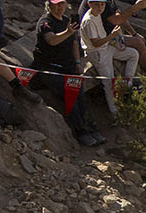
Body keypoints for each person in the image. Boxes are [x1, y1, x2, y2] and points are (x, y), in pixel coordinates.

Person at [30, 0, 102, 146]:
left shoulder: (66, 20)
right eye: (56, 4)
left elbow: (74, 43)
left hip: (67, 67)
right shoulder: (45, 22)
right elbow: (51, 40)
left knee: (80, 94)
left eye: (62, 3)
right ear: (49, 5)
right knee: (70, 93)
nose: (59, 7)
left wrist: (77, 63)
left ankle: (91, 128)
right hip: (48, 68)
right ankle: (80, 131)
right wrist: (68, 32)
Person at [78, 0, 136, 113]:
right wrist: (112, 36)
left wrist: (114, 42)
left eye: (102, 4)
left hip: (106, 47)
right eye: (96, 4)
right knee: (109, 83)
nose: (100, 7)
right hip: (97, 53)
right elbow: (96, 43)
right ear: (89, 4)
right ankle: (115, 113)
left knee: (133, 54)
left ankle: (128, 84)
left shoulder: (98, 14)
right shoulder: (89, 21)